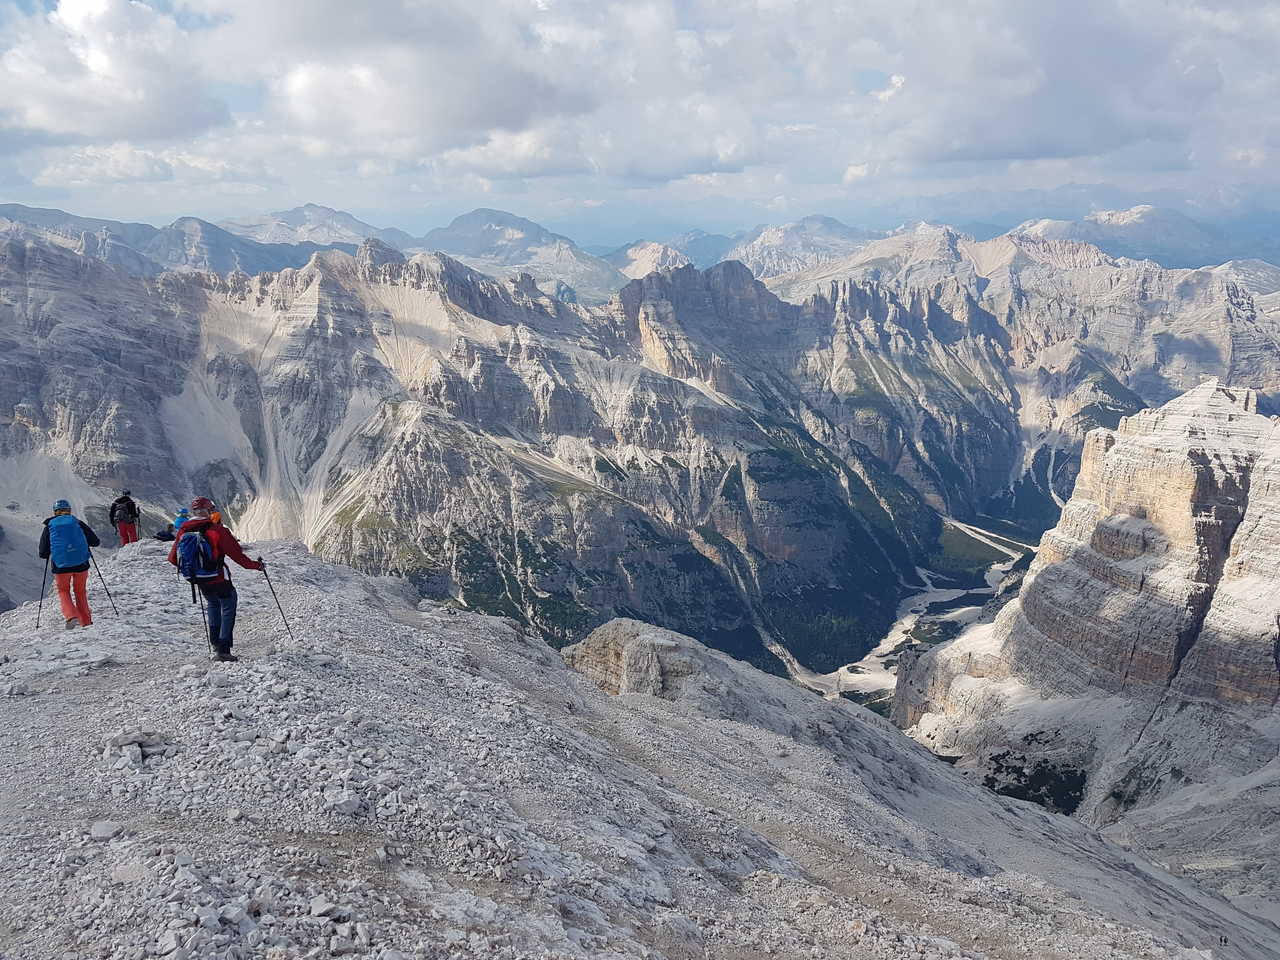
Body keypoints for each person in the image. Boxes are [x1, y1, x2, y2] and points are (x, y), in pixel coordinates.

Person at [168, 497, 264, 662]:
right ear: (208, 511)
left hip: (199, 580)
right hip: (219, 578)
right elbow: (238, 556)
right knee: (228, 605)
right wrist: (257, 566)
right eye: (212, 510)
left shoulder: (183, 530)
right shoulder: (217, 530)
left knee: (212, 604)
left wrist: (195, 570)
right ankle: (223, 649)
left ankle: (215, 644)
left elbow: (173, 558)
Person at [38, 499, 101, 629]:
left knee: (63, 591)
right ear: (69, 510)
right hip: (81, 565)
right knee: (80, 592)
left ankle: (71, 616)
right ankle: (86, 622)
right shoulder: (77, 523)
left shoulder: (49, 526)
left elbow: (43, 553)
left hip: (61, 567)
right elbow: (95, 542)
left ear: (55, 512)